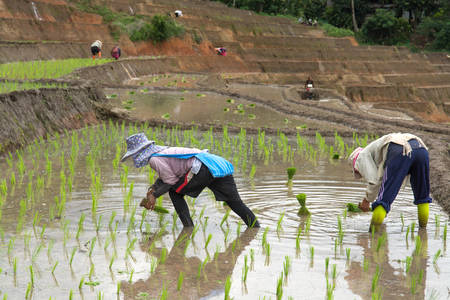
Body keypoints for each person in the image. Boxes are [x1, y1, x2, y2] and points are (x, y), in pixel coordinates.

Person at [121, 132, 260, 228]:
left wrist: (154, 195)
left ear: (138, 153)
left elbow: (169, 182)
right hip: (216, 164)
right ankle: (255, 227)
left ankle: (188, 228)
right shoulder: (162, 152)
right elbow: (167, 175)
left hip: (202, 169)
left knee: (175, 193)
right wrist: (153, 187)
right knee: (235, 202)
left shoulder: (154, 159)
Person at [348, 133, 432, 229]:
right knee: (422, 195)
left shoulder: (361, 157)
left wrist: (366, 201)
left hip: (400, 150)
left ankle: (373, 236)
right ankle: (423, 231)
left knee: (383, 200)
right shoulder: (376, 152)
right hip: (421, 149)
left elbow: (374, 181)